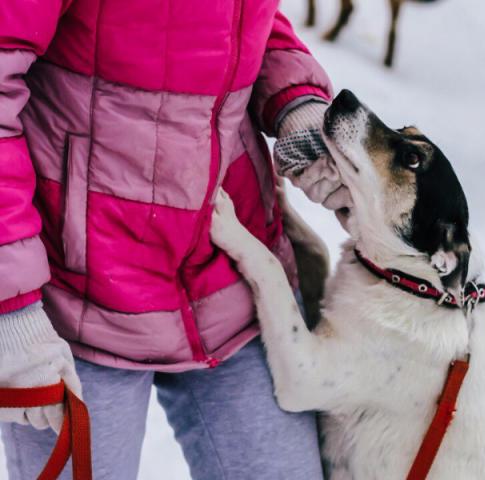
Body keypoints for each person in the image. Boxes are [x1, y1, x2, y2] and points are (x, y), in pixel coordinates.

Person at [0, 1, 350, 478]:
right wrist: (11, 308)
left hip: (232, 266)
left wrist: (296, 103)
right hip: (79, 295)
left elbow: (244, 21)